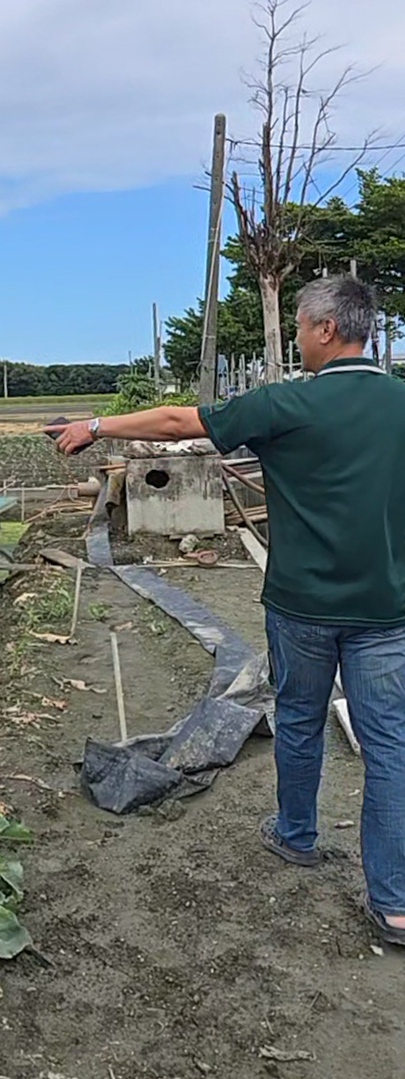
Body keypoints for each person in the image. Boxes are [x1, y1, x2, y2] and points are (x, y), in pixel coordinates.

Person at [48, 274, 405, 944]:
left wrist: (93, 426)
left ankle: (296, 836)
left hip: (302, 603)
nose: (298, 336)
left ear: (327, 328)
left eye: (301, 325)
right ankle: (394, 905)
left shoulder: (289, 404)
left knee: (298, 719)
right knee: (391, 747)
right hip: (387, 608)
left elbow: (182, 422)